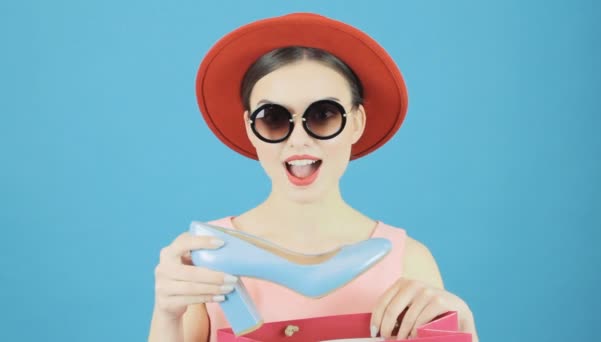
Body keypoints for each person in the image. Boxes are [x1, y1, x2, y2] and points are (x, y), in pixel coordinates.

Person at [148, 13, 478, 342]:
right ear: (251, 128)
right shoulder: (206, 261)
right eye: (273, 118)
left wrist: (463, 328)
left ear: (356, 123)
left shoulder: (408, 261)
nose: (299, 140)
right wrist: (166, 316)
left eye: (323, 115)